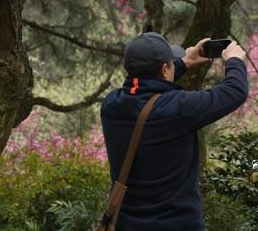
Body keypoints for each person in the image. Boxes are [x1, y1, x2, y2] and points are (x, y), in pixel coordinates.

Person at [100, 32, 248, 230]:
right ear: (163, 69)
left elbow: (145, 87)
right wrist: (235, 61)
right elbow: (234, 91)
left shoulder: (111, 106)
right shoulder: (179, 109)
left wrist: (185, 62)